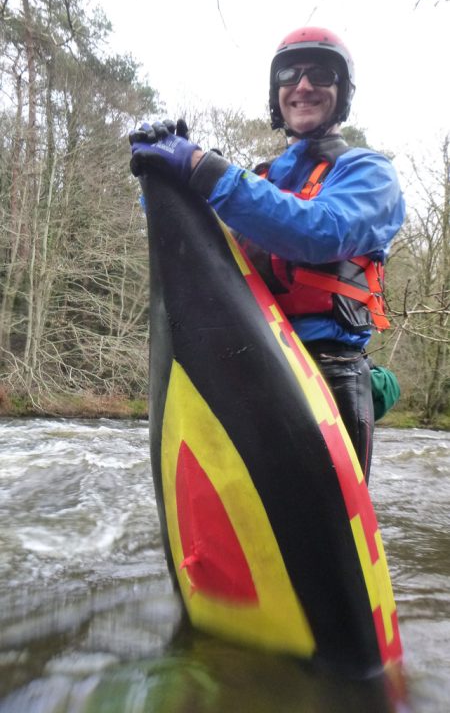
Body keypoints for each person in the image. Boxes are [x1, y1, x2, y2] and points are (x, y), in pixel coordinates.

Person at [129, 26, 405, 483]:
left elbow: (319, 231)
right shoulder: (255, 180)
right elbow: (196, 246)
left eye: (320, 74)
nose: (302, 86)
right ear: (276, 94)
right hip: (243, 367)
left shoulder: (370, 172)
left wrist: (202, 168)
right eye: (289, 75)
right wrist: (160, 181)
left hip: (327, 378)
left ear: (343, 92)